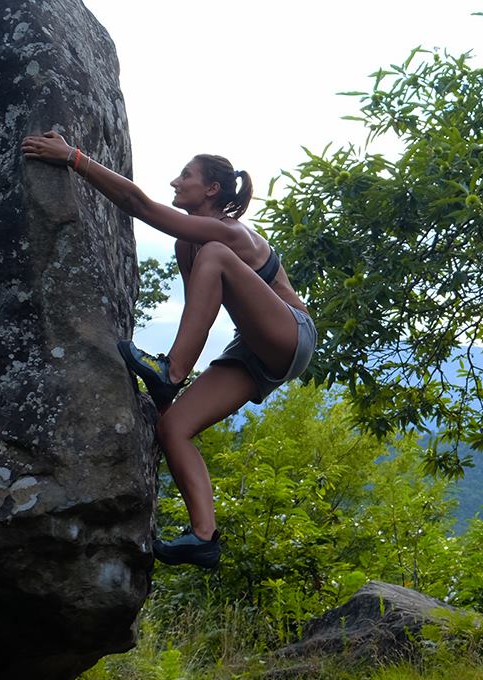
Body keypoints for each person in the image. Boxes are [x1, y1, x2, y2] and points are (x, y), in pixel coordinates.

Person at [21, 130, 316, 569]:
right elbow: (201, 311)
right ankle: (203, 537)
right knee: (172, 427)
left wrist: (74, 158)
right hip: (251, 353)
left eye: (186, 176)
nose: (176, 182)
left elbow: (141, 206)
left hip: (292, 334)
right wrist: (169, 394)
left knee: (213, 253)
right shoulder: (188, 245)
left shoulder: (231, 236)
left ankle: (169, 372)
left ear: (211, 189)